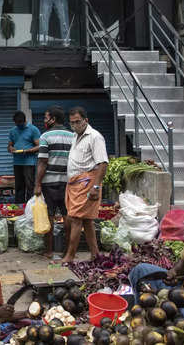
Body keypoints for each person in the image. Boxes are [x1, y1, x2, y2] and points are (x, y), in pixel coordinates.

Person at [59, 107, 108, 264]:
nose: (75, 125)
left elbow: (102, 163)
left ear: (86, 120)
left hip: (87, 183)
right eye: (72, 123)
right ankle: (95, 255)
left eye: (78, 122)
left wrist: (96, 186)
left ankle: (70, 256)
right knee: (86, 220)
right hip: (76, 183)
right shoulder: (75, 136)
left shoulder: (95, 137)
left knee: (75, 219)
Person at [33, 106, 73, 259]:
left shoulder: (46, 136)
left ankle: (49, 250)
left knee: (48, 215)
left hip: (49, 182)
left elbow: (43, 161)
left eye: (45, 117)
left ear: (53, 119)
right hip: (68, 182)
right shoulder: (73, 136)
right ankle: (67, 251)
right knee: (67, 215)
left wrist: (37, 184)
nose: (44, 120)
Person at [7, 111, 40, 204]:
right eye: (16, 123)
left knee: (30, 186)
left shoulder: (33, 129)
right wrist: (11, 148)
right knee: (19, 187)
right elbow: (9, 146)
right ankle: (19, 207)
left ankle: (30, 207)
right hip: (17, 162)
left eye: (20, 123)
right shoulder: (13, 131)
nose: (18, 125)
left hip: (29, 163)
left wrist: (29, 151)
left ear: (24, 121)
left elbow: (39, 146)